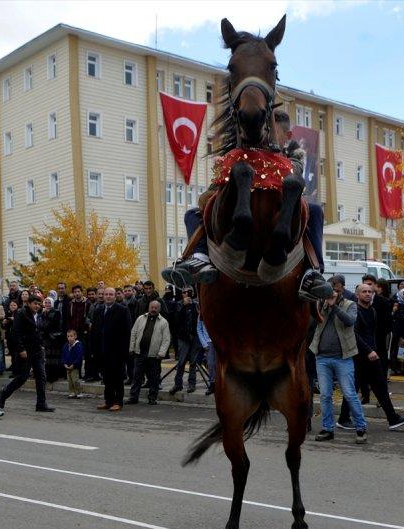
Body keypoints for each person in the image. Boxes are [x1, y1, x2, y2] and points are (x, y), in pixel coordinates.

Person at [161, 109, 330, 302]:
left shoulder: (293, 158)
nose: (267, 136)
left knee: (315, 211)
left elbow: (294, 173)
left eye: (273, 132)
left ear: (288, 136)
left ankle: (313, 271)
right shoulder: (243, 155)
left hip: (282, 205)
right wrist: (223, 176)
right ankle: (200, 257)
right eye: (265, 131)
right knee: (192, 214)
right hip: (243, 204)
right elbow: (213, 191)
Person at [338, 284, 404, 431]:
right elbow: (354, 334)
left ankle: (392, 418)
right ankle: (344, 418)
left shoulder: (372, 311)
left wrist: (375, 351)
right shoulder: (355, 311)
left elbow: (371, 334)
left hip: (372, 355)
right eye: (364, 292)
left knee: (379, 387)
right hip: (359, 356)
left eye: (370, 292)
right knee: (354, 388)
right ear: (357, 295)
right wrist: (368, 351)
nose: (367, 294)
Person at [310, 288, 368, 444]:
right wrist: (323, 305)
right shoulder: (321, 305)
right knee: (325, 395)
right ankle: (327, 429)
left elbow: (350, 321)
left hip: (343, 358)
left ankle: (361, 428)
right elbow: (314, 321)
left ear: (340, 291)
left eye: (334, 291)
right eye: (328, 291)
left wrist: (334, 306)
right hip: (322, 357)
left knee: (349, 394)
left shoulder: (350, 305)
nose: (330, 294)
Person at [0, 295, 56, 412]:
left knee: (41, 376)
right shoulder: (21, 313)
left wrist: (42, 344)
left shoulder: (40, 314)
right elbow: (16, 332)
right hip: (25, 350)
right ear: (29, 303)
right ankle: (4, 393)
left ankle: (41, 404)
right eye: (35, 303)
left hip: (37, 350)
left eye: (39, 304)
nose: (37, 306)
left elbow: (40, 330)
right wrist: (21, 349)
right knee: (23, 377)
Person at [93, 287, 132, 411]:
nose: (108, 296)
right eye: (106, 294)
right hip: (102, 350)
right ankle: (108, 401)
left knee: (117, 377)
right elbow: (95, 330)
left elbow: (127, 332)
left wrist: (125, 351)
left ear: (115, 296)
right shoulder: (98, 310)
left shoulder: (122, 310)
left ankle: (118, 401)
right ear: (103, 296)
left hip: (117, 351)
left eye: (111, 294)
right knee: (106, 377)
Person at [128, 300, 171, 405]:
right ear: (149, 307)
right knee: (137, 376)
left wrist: (161, 353)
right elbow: (133, 333)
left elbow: (166, 339)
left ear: (159, 309)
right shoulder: (140, 318)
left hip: (154, 355)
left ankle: (152, 398)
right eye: (152, 307)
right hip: (140, 353)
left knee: (154, 378)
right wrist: (131, 348)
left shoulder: (163, 322)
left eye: (156, 308)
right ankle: (133, 397)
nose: (153, 309)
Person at [170, 288, 201, 394]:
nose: (187, 294)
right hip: (183, 337)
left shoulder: (196, 304)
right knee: (181, 361)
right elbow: (176, 320)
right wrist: (184, 305)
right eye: (184, 292)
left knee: (193, 361)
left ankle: (192, 383)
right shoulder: (178, 304)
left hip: (195, 336)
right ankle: (178, 384)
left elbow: (200, 319)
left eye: (189, 292)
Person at [62, 329, 84, 399]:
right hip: (67, 366)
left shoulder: (78, 345)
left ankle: (78, 392)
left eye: (71, 336)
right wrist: (64, 363)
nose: (69, 338)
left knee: (75, 380)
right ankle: (72, 392)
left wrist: (74, 364)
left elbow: (79, 356)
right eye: (68, 336)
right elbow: (63, 355)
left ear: (75, 336)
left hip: (74, 366)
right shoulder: (66, 345)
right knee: (70, 380)